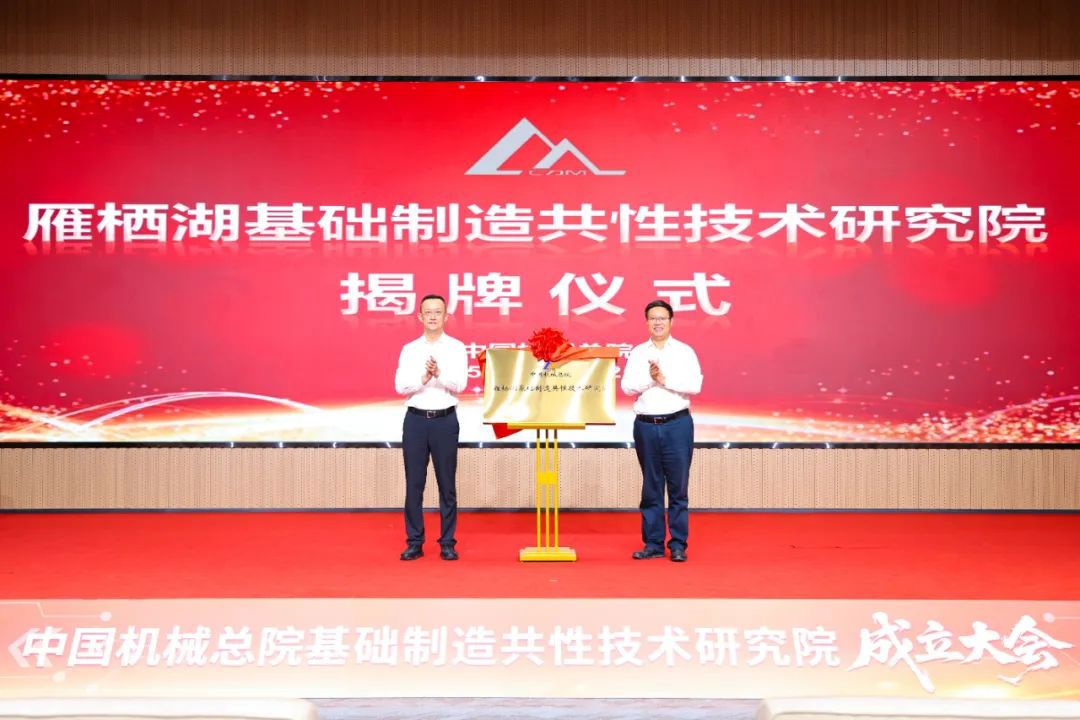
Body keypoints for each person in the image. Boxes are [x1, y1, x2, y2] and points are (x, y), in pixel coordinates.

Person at [620, 299, 703, 562]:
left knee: (678, 488)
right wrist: (650, 378)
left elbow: (694, 385)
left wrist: (664, 379)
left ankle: (678, 545)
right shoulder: (637, 352)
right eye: (653, 318)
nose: (658, 322)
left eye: (662, 318)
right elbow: (627, 387)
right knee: (651, 487)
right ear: (647, 322)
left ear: (671, 321)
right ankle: (653, 543)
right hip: (646, 425)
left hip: (677, 425)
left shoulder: (684, 352)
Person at [394, 294, 468, 561]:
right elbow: (400, 386)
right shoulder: (410, 349)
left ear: (446, 316)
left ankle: (447, 542)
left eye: (438, 312)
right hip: (415, 421)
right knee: (414, 484)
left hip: (445, 421)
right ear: (420, 317)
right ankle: (414, 541)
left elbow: (460, 385)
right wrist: (423, 378)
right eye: (428, 312)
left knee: (447, 485)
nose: (433, 316)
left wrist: (439, 374)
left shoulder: (457, 348)